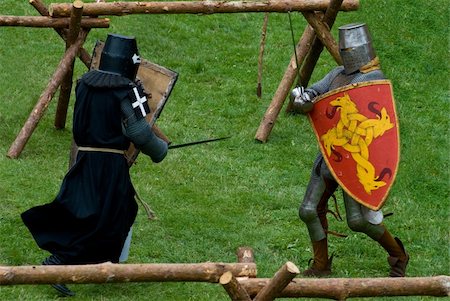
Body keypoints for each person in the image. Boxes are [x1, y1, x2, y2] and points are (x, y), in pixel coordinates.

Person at [21, 34, 168, 296]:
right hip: (108, 165)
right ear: (129, 62)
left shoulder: (86, 83)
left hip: (84, 157)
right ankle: (60, 264)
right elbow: (139, 133)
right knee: (109, 217)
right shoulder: (125, 89)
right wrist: (160, 151)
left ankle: (103, 266)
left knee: (93, 212)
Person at [291, 23, 409, 277]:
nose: (346, 53)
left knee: (359, 221)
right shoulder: (337, 74)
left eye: (349, 49)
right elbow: (314, 96)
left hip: (355, 159)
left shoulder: (371, 79)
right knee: (308, 211)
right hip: (331, 156)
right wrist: (302, 97)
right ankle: (321, 265)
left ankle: (398, 255)